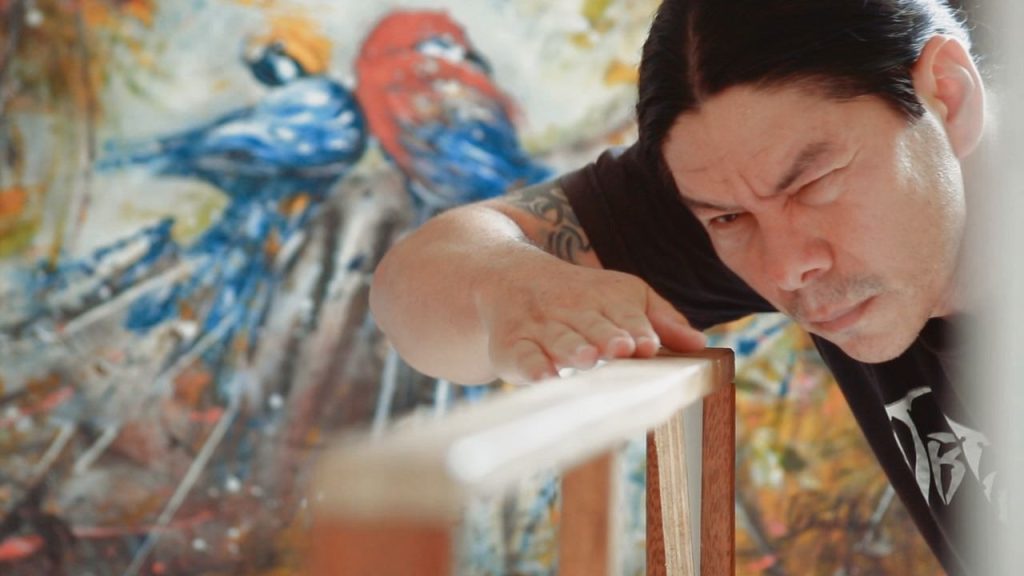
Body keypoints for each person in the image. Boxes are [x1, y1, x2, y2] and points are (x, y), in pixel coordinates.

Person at [370, 0, 997, 573]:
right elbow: (416, 288)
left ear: (948, 94)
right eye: (728, 220)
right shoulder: (739, 174)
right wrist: (513, 285)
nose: (784, 269)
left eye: (813, 184)